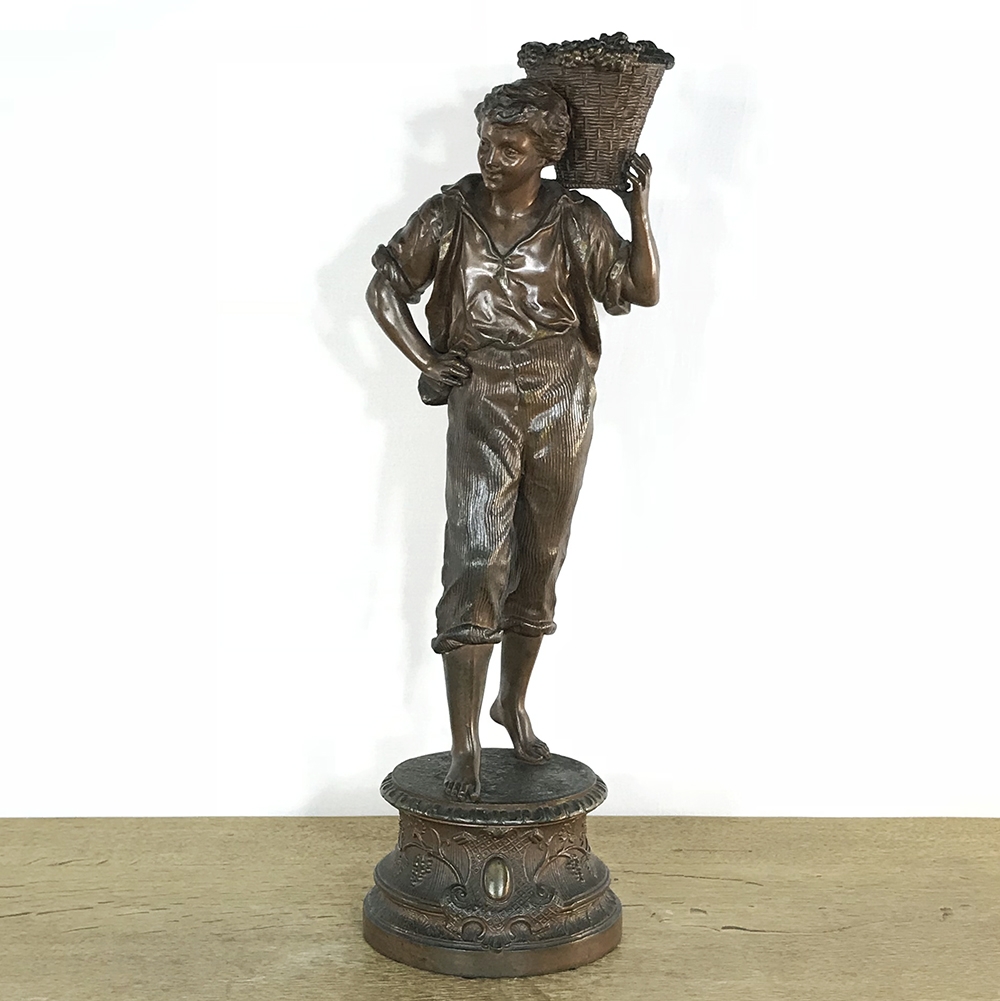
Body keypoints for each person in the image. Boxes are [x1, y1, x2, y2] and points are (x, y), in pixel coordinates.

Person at [366, 79, 659, 802]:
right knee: (474, 560)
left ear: (546, 152)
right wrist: (426, 360)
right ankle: (464, 742)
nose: (491, 157)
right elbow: (384, 288)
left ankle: (512, 704)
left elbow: (640, 290)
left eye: (509, 147)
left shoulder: (576, 218)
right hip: (484, 396)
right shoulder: (450, 215)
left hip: (561, 396)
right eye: (486, 143)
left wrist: (639, 211)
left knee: (542, 555)